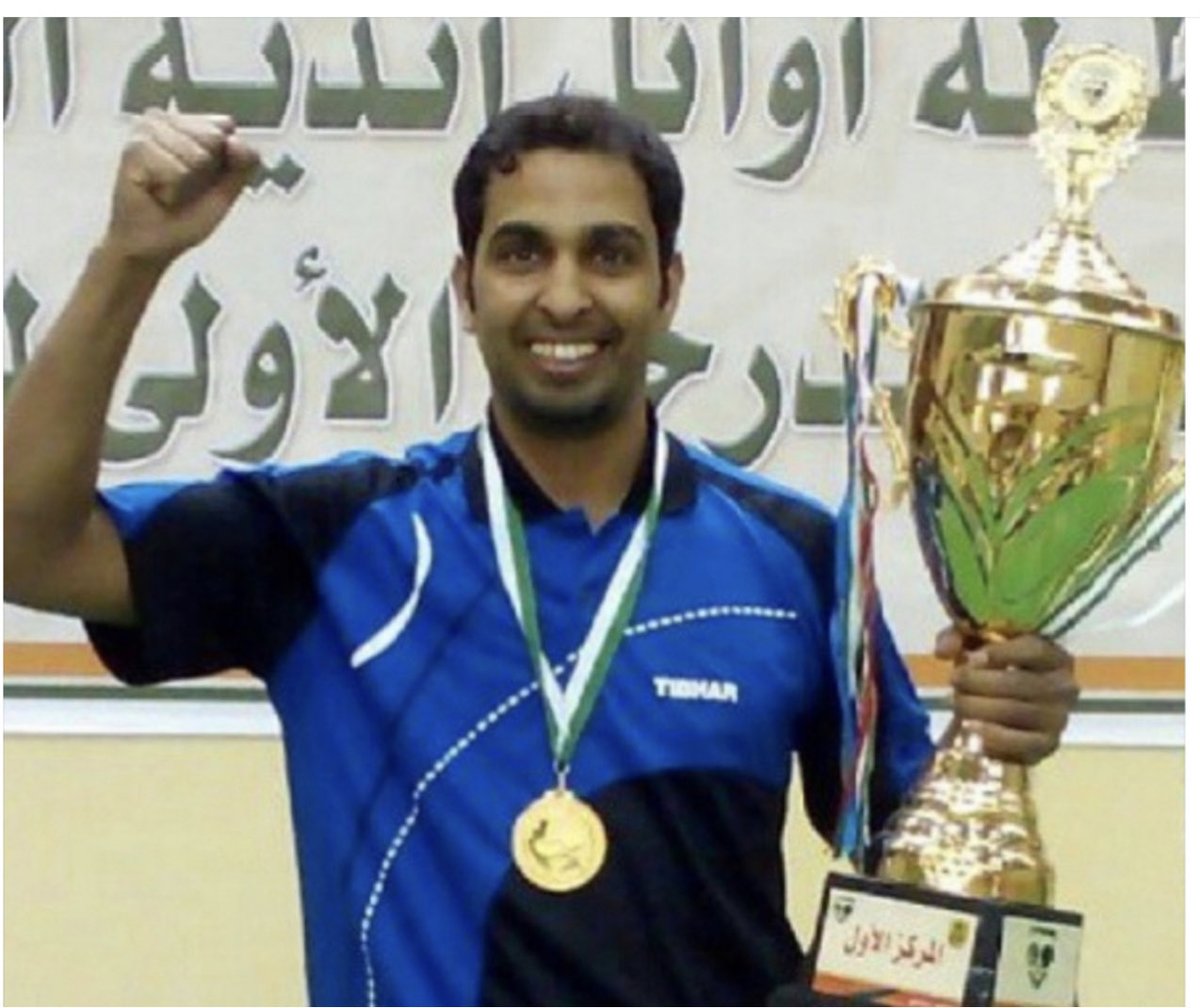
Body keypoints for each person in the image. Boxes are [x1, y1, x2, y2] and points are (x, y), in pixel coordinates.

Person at [4, 95, 1077, 1007]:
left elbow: (924, 879)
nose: (565, 295)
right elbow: (27, 548)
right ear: (467, 289)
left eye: (609, 254)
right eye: (523, 253)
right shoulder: (335, 541)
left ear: (669, 286)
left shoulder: (798, 561)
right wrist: (129, 260)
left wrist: (1000, 732)